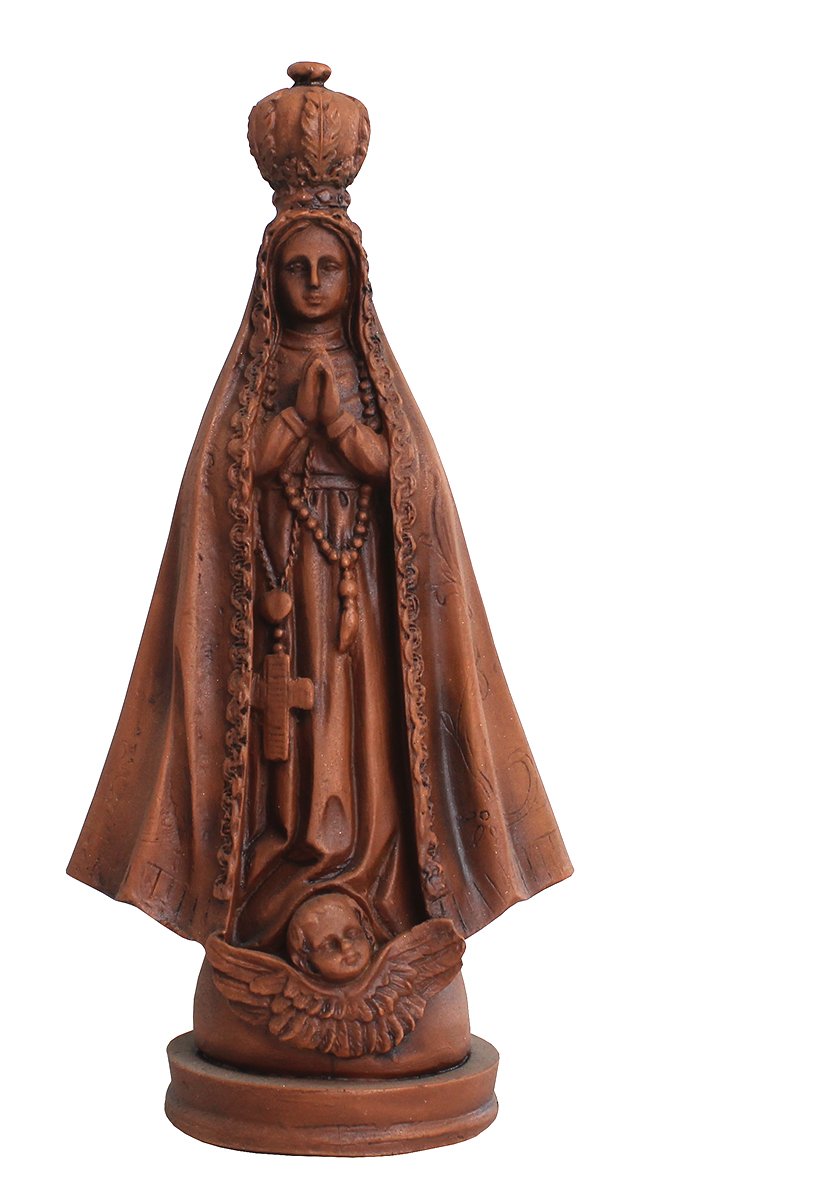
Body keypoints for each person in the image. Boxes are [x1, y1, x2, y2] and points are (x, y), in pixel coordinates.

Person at [67, 68, 572, 960]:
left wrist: (339, 426)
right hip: (277, 593)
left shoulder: (372, 378)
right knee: (291, 743)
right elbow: (229, 476)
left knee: (363, 735)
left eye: (327, 267)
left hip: (361, 595)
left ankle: (370, 880)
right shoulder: (257, 375)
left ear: (354, 276)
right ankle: (290, 881)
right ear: (270, 276)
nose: (311, 282)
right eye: (296, 268)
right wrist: (297, 423)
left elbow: (406, 479)